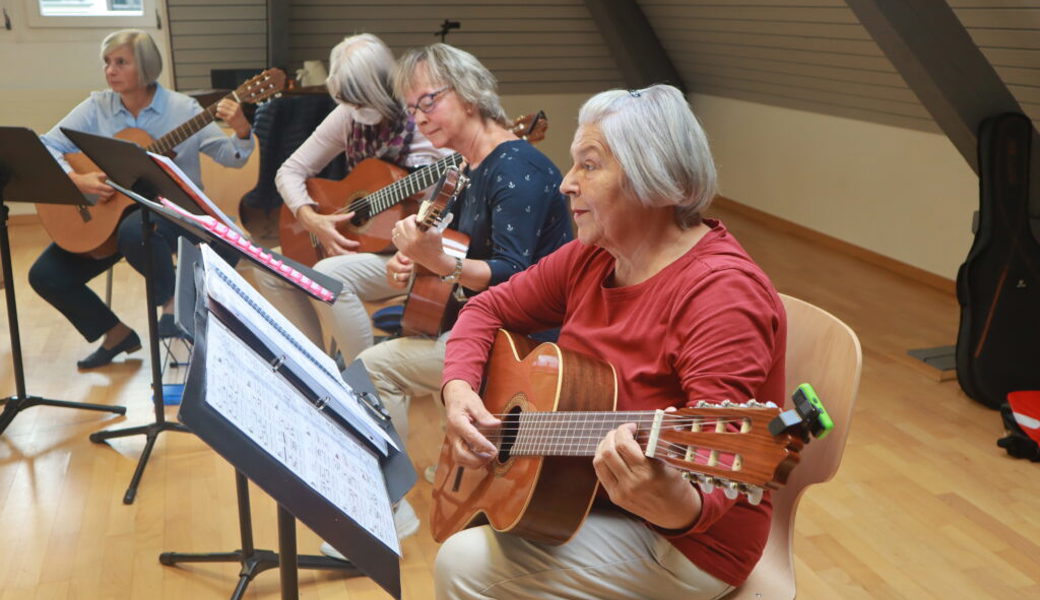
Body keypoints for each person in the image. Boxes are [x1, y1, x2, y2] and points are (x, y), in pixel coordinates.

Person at [435, 84, 787, 599]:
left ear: (658, 181)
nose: (565, 184)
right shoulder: (594, 253)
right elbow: (488, 307)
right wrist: (460, 389)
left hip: (688, 544)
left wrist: (675, 501)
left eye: (589, 165)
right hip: (581, 494)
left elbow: (712, 486)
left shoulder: (722, 295)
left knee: (463, 564)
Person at [358, 41, 572, 461]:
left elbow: (515, 276)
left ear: (469, 93)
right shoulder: (466, 165)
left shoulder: (516, 169)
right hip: (477, 322)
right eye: (412, 109)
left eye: (428, 101)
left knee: (369, 370)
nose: (419, 118)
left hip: (523, 343)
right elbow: (453, 243)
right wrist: (418, 258)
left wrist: (437, 261)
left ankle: (392, 503)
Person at [29, 29, 254, 370]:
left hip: (175, 214)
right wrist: (77, 179)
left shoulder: (183, 109)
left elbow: (230, 156)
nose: (110, 70)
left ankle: (171, 305)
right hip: (112, 219)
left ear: (146, 66)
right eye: (107, 62)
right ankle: (116, 334)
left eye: (121, 62)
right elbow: (46, 144)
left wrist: (241, 131)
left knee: (136, 230)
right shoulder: (97, 106)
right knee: (45, 275)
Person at [256, 33, 451, 351]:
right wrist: (311, 218)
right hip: (365, 243)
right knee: (270, 269)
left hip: (410, 252)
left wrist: (418, 232)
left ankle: (363, 380)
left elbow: (450, 203)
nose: (352, 110)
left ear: (379, 89)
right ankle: (317, 366)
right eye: (346, 102)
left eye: (359, 101)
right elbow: (289, 171)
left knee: (326, 275)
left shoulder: (424, 123)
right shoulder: (349, 114)